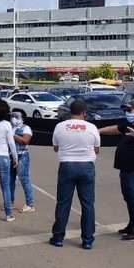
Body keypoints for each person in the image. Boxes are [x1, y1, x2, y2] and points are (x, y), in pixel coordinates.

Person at [99, 100, 134, 242]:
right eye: (126, 111)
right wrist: (97, 131)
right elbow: (115, 129)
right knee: (129, 198)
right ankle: (132, 225)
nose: (128, 114)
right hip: (126, 168)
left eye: (130, 111)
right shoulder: (129, 124)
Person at [49, 100, 100, 249]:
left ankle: (58, 237)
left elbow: (56, 147)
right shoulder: (92, 128)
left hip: (67, 165)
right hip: (86, 167)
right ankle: (87, 240)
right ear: (84, 112)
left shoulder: (60, 126)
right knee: (88, 204)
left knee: (63, 202)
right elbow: (96, 149)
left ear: (70, 112)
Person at [9, 111, 35, 213]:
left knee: (24, 179)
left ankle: (30, 204)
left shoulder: (25, 128)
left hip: (22, 155)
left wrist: (13, 135)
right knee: (10, 179)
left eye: (16, 117)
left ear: (21, 118)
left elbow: (25, 140)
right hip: (10, 155)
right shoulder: (10, 127)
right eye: (12, 116)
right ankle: (10, 202)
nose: (14, 118)